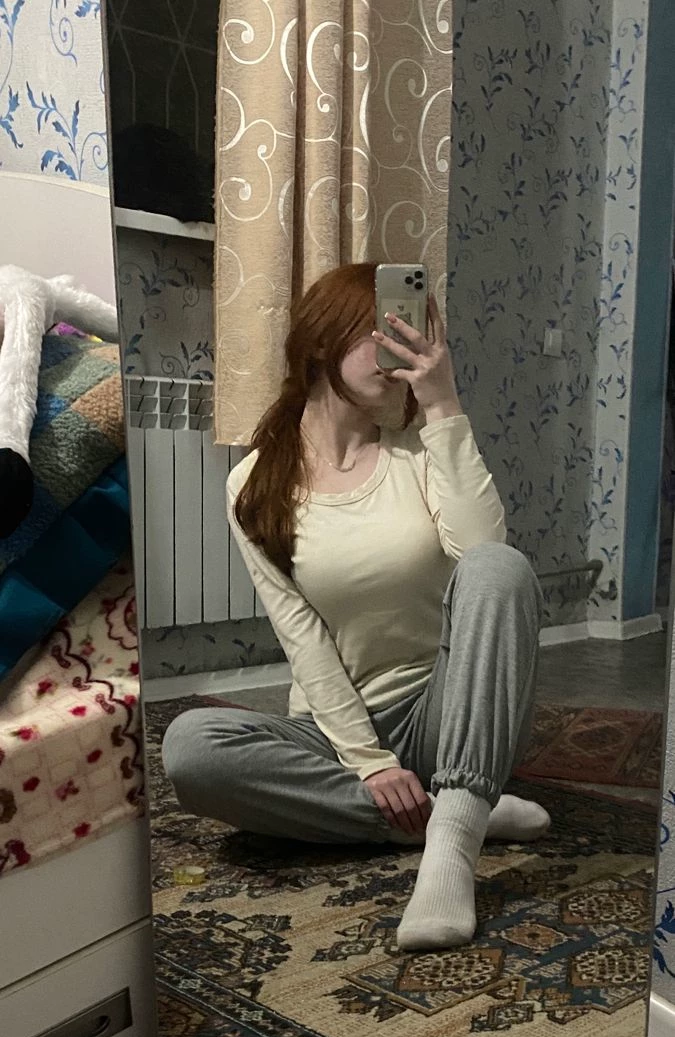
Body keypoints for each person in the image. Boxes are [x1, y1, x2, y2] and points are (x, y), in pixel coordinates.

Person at [162, 262, 546, 952]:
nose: (402, 350)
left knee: (500, 565)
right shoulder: (252, 484)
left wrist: (443, 405)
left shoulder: (420, 451)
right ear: (322, 343)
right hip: (338, 737)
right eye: (384, 332)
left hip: (445, 717)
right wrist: (369, 762)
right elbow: (302, 638)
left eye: (414, 332)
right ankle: (455, 814)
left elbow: (486, 556)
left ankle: (451, 841)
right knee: (192, 748)